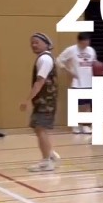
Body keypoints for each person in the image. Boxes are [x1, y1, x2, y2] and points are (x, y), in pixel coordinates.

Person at [20, 33, 61, 172]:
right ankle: (50, 154)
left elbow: (40, 81)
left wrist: (27, 100)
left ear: (46, 44)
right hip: (44, 101)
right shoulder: (45, 58)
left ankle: (46, 162)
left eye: (37, 42)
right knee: (39, 129)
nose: (33, 45)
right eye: (32, 42)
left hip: (46, 102)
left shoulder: (45, 59)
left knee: (40, 128)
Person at [56, 32, 99, 134]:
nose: (86, 44)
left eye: (88, 42)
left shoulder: (91, 50)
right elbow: (58, 60)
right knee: (76, 106)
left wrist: (101, 70)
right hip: (77, 83)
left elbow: (95, 64)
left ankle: (85, 125)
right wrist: (67, 70)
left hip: (89, 82)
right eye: (84, 42)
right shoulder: (71, 50)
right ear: (79, 41)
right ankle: (75, 125)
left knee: (87, 105)